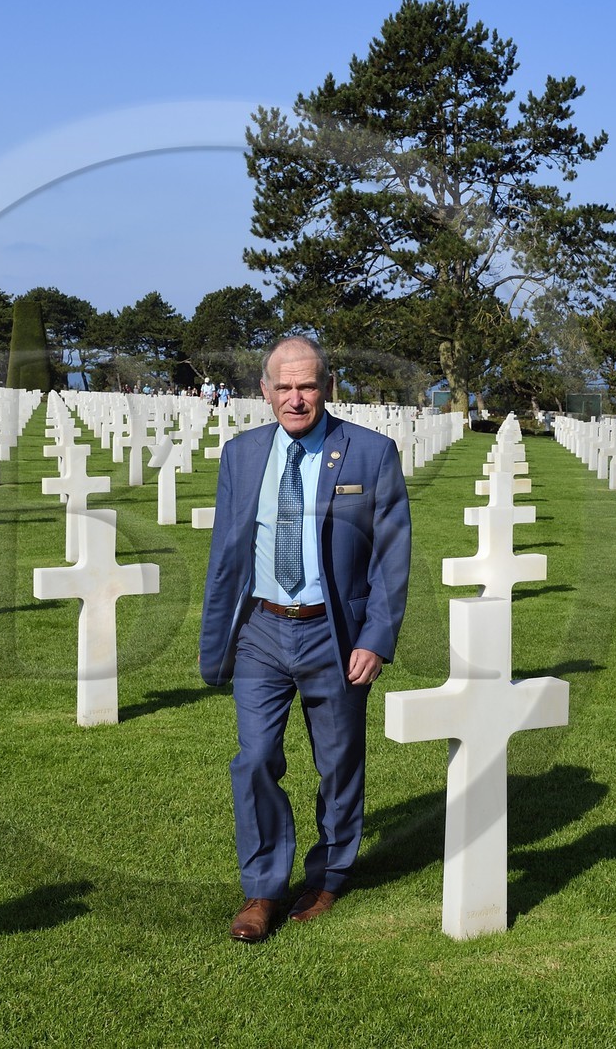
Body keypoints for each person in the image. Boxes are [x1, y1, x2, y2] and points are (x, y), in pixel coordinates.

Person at [199, 335, 411, 943]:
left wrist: (375, 637)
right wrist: (218, 638)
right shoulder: (240, 456)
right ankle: (263, 888)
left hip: (333, 632)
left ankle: (328, 875)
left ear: (328, 387)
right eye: (283, 387)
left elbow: (391, 557)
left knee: (338, 762)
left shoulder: (369, 454)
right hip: (261, 630)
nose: (296, 399)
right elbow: (225, 556)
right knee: (256, 758)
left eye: (307, 386)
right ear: (264, 391)